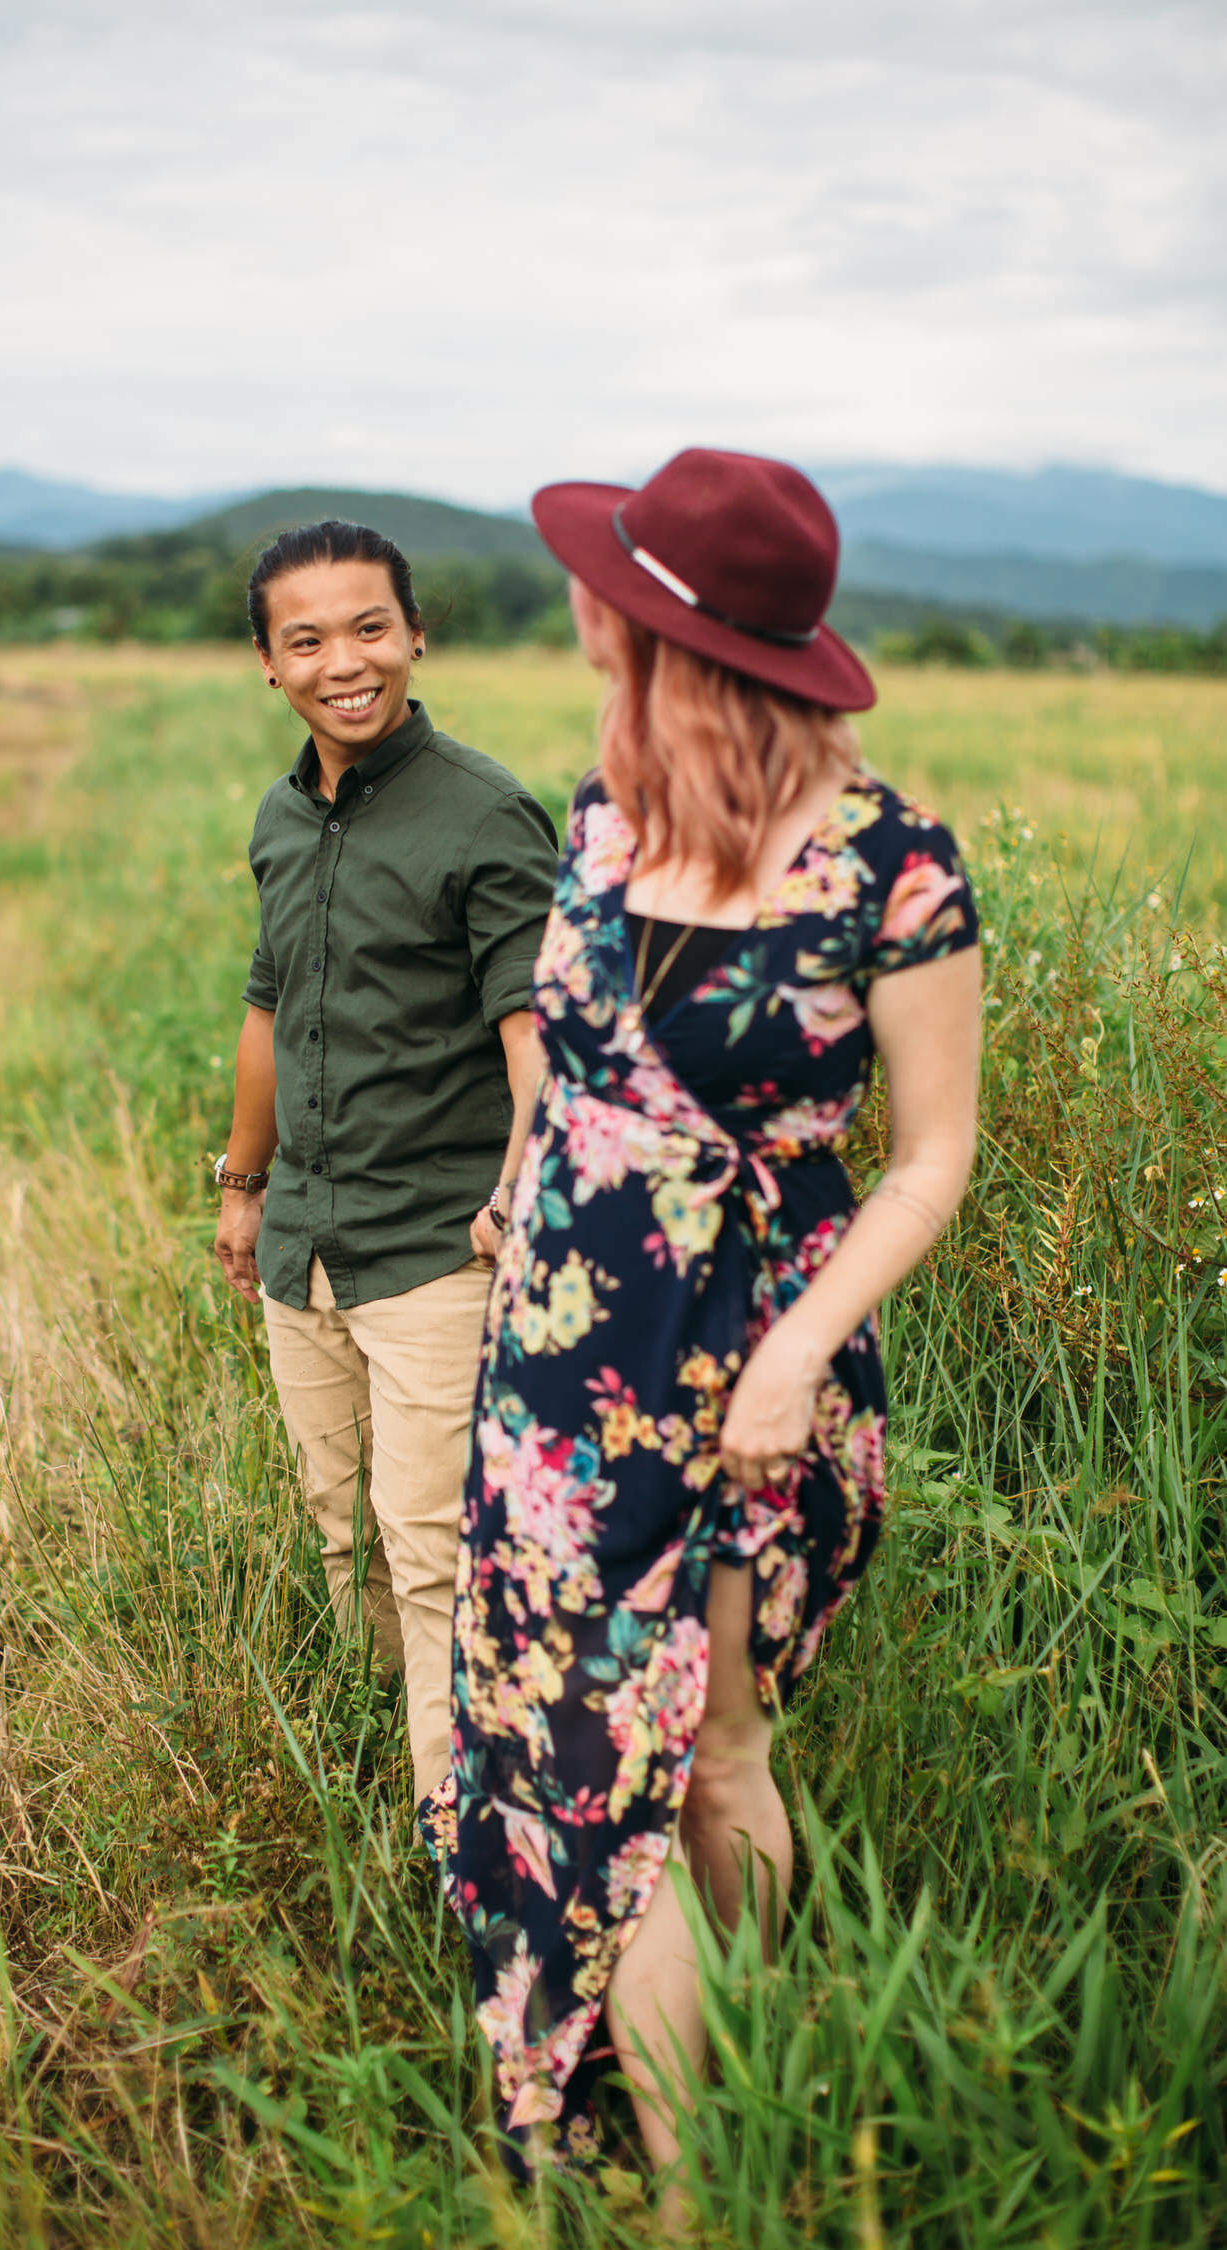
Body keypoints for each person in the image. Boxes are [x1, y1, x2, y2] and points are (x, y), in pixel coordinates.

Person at [426, 449, 982, 2192]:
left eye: (614, 594)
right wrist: (525, 1174)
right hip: (556, 1373)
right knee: (584, 1751)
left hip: (746, 1366)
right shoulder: (600, 819)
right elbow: (581, 1059)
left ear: (680, 639)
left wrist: (800, 1354)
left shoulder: (891, 871)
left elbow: (933, 1158)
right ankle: (679, 2146)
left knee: (714, 1756)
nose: (586, 613)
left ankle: (702, 2137)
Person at [212, 519, 557, 1808]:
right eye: (307, 639)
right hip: (307, 1241)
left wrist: (521, 1191)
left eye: (369, 628)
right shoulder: (281, 817)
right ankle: (412, 1781)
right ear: (268, 661)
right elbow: (268, 1006)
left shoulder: (486, 814)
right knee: (345, 1537)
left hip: (434, 1254)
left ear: (416, 635)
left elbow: (539, 1036)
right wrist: (247, 1191)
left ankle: (461, 1845)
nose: (344, 661)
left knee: (437, 1558)